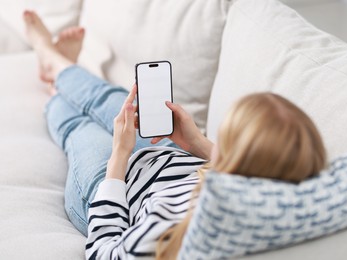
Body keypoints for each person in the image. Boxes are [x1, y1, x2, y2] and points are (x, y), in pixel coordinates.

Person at [23, 10, 327, 260]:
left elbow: (105, 252)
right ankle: (60, 67)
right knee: (112, 101)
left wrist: (118, 158)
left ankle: (53, 68)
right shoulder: (276, 189)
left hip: (112, 190)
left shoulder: (170, 230)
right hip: (167, 156)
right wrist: (197, 144)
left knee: (80, 127)